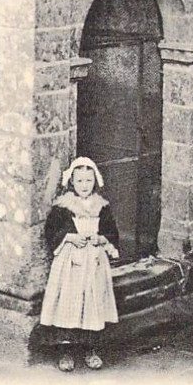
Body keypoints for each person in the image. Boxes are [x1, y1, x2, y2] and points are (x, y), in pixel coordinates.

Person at [39, 156, 120, 372]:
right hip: (71, 263)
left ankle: (89, 348)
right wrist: (69, 237)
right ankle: (65, 351)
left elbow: (111, 232)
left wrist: (101, 239)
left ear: (95, 181)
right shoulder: (64, 207)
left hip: (93, 262)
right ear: (72, 183)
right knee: (69, 302)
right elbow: (51, 231)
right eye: (80, 181)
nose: (84, 186)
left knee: (92, 302)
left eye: (88, 181)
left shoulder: (101, 207)